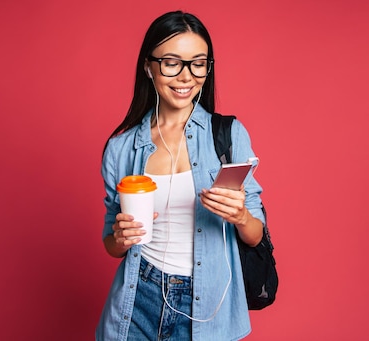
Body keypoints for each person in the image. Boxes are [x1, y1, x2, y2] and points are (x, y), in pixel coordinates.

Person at [96, 10, 266, 341]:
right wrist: (120, 237)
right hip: (138, 298)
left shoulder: (228, 135)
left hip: (206, 304)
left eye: (198, 63)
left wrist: (240, 215)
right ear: (149, 66)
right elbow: (111, 244)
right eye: (172, 63)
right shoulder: (121, 147)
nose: (186, 76)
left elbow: (256, 234)